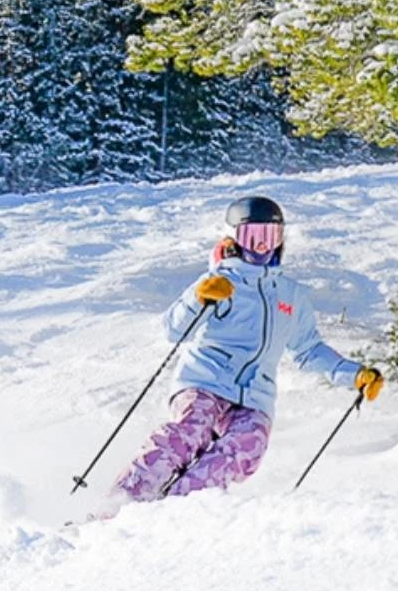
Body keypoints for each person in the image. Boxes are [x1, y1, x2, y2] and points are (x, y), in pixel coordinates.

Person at [116, 195, 382, 502]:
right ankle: (123, 500)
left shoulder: (289, 295)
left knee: (248, 446)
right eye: (252, 237)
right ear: (233, 238)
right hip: (205, 381)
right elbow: (173, 329)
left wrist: (354, 375)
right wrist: (199, 299)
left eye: (270, 237)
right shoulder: (218, 281)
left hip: (255, 396)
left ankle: (180, 505)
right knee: (190, 429)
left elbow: (309, 350)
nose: (261, 247)